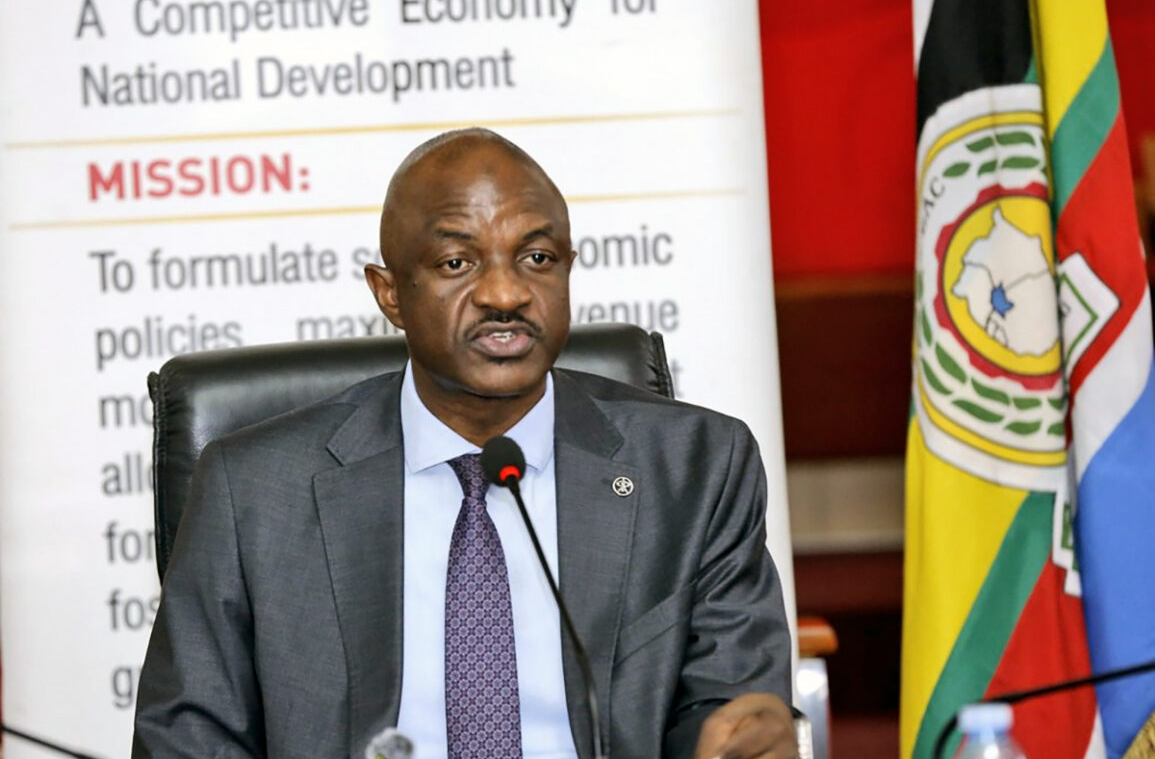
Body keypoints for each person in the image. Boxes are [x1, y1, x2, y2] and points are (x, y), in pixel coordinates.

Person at [133, 128, 796, 759]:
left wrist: (734, 737)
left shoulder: (694, 469)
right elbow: (190, 738)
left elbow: (727, 703)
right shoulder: (254, 491)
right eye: (457, 262)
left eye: (537, 258)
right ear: (389, 294)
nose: (506, 293)